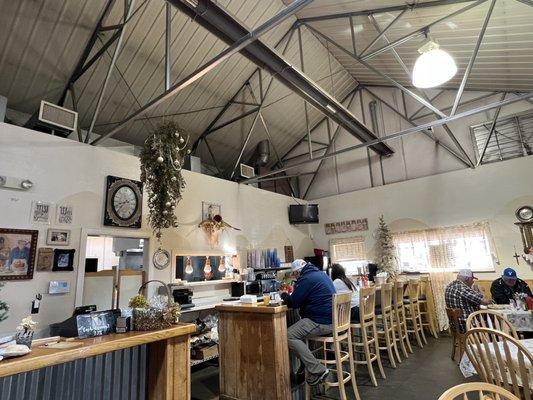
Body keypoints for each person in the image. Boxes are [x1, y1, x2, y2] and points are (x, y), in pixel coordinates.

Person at [281, 259, 335, 386]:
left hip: (320, 322)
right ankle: (306, 367)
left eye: (294, 274)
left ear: (298, 272)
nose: (295, 277)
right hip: (332, 321)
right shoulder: (321, 274)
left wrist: (283, 295)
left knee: (288, 335)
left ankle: (317, 370)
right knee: (298, 330)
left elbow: (294, 302)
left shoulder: (306, 279)